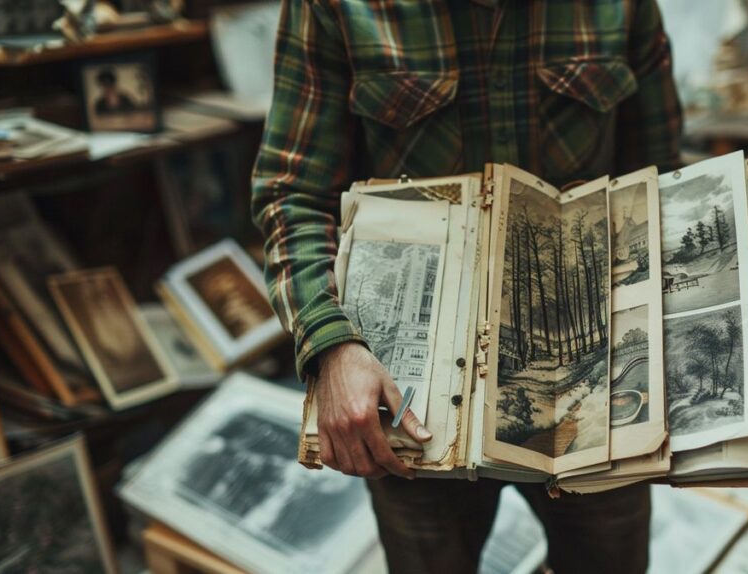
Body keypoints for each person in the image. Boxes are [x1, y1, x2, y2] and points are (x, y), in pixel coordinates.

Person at [251, 1, 682, 572]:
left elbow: (660, 180)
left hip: (593, 395)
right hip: (414, 405)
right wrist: (330, 345)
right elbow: (293, 194)